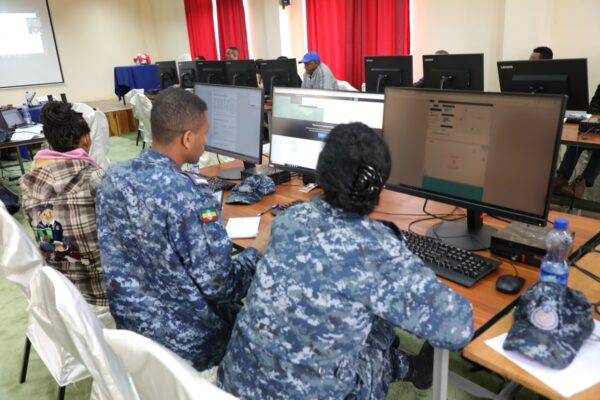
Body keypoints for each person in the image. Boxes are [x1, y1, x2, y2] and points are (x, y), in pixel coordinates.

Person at [218, 122, 474, 399]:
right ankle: (412, 368)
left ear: (321, 173)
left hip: (233, 385)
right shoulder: (377, 250)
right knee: (372, 344)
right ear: (378, 186)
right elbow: (458, 328)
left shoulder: (291, 218)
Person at [96, 88, 270, 370]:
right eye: (204, 133)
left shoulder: (113, 176)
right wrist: (257, 249)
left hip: (133, 334)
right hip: (190, 343)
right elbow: (224, 287)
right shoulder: (189, 194)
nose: (206, 140)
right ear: (188, 139)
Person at [20, 101, 109, 311]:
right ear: (86, 139)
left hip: (61, 293)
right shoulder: (96, 178)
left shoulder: (28, 183)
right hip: (102, 293)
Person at [553, 83, 600, 198]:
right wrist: (594, 120)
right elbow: (594, 105)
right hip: (597, 123)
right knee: (579, 136)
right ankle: (562, 178)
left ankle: (582, 182)